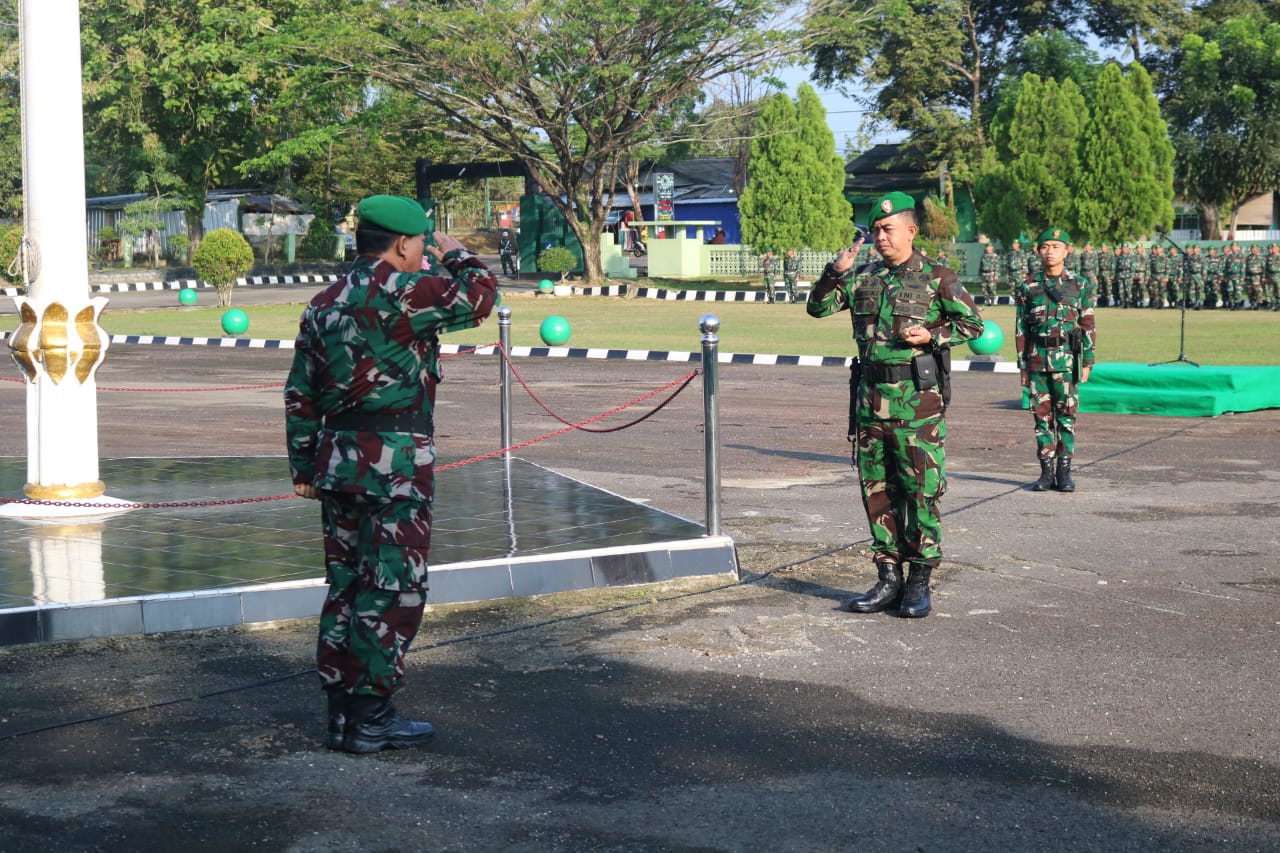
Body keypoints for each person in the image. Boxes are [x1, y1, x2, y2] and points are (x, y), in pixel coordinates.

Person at [285, 195, 501, 754]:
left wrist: (304, 466)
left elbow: (300, 393)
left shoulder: (323, 302)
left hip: (337, 458)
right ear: (403, 243)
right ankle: (373, 717)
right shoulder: (409, 291)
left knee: (347, 584)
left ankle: (340, 715)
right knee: (393, 587)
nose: (424, 251)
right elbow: (481, 298)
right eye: (421, 243)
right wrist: (458, 255)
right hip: (396, 462)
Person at [807, 191, 983, 619]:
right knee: (877, 492)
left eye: (888, 230)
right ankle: (888, 577)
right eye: (874, 231)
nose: (880, 238)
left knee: (921, 491)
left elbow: (972, 323)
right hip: (869, 403)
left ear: (911, 230)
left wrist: (933, 336)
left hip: (916, 407)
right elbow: (817, 308)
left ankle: (920, 580)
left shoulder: (938, 277)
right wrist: (834, 272)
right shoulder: (862, 276)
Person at [1015, 227, 1096, 493]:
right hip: (1037, 361)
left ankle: (1064, 472)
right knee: (1041, 419)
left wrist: (1088, 360)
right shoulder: (1028, 286)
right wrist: (1022, 366)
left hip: (1066, 362)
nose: (1050, 251)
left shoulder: (1080, 284)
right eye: (1045, 246)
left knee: (1066, 417)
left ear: (1067, 250)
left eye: (1056, 246)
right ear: (1038, 251)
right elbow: (1021, 329)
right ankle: (1046, 473)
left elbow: (1087, 323)